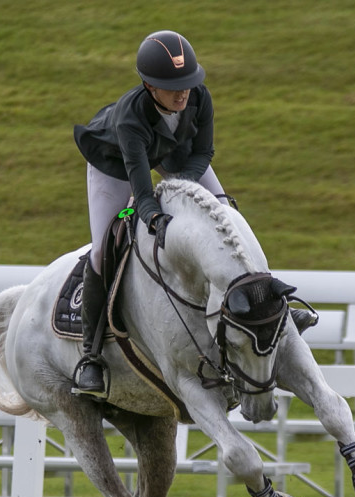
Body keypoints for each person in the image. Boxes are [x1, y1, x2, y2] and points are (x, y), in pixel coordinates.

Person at [71, 30, 314, 397]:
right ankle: (90, 357)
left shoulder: (198, 97)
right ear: (150, 86)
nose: (183, 92)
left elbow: (204, 153)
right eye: (173, 86)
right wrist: (154, 217)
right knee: (104, 250)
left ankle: (272, 308)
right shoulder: (130, 119)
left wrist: (184, 193)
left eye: (187, 82)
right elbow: (141, 188)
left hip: (173, 153)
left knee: (226, 216)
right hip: (115, 164)